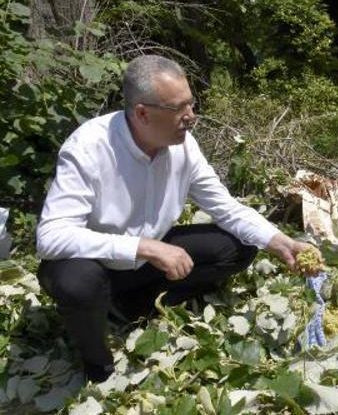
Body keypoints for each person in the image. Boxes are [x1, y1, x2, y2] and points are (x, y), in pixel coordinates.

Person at [35, 55, 316, 382]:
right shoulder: (88, 148)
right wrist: (146, 247)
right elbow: (50, 237)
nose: (191, 117)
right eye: (179, 109)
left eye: (191, 104)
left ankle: (128, 309)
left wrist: (280, 241)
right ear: (143, 113)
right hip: (98, 263)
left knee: (240, 246)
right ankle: (98, 364)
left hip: (146, 263)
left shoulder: (183, 147)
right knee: (76, 283)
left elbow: (225, 206)